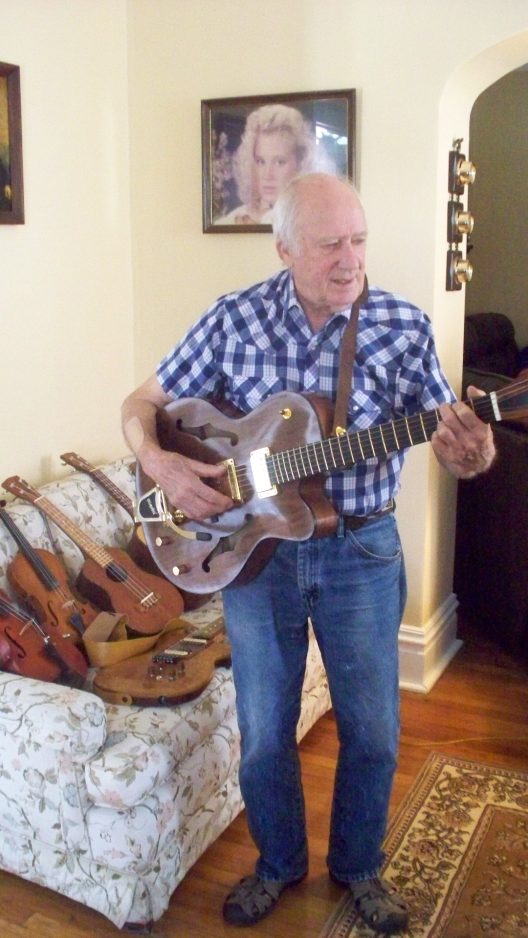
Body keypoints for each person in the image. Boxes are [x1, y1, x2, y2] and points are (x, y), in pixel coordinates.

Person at [121, 173, 495, 934]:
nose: (350, 260)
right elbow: (140, 406)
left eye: (359, 240)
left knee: (372, 731)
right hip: (258, 557)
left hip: (362, 550)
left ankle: (358, 867)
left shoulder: (401, 326)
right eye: (330, 245)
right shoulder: (233, 319)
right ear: (285, 248)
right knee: (265, 730)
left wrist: (475, 451)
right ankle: (278, 863)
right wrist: (159, 464)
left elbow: (451, 442)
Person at [217, 103, 317, 225]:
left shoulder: (313, 220)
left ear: (301, 164)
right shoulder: (234, 220)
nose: (267, 175)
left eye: (279, 162)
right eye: (261, 162)